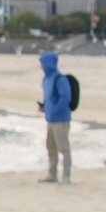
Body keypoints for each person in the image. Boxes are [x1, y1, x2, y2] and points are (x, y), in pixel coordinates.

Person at [39, 49, 76, 182]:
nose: (41, 66)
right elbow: (49, 97)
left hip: (61, 119)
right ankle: (52, 174)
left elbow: (65, 97)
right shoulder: (47, 79)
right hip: (50, 119)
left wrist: (54, 109)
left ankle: (66, 176)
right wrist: (44, 106)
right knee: (50, 148)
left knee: (63, 148)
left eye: (42, 63)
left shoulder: (60, 79)